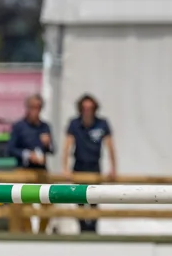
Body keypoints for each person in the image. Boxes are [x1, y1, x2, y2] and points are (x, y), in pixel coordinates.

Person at [62, 94, 117, 232]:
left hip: (94, 166)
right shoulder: (74, 124)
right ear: (80, 109)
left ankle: (93, 229)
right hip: (79, 166)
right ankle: (82, 228)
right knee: (79, 200)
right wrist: (65, 168)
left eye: (90, 108)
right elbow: (67, 146)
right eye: (85, 108)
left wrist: (113, 168)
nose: (87, 111)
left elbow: (110, 146)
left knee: (94, 200)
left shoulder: (102, 124)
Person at [6, 94, 53, 173]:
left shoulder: (45, 126)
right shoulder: (19, 126)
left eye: (38, 107)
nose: (35, 111)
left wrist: (47, 144)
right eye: (32, 107)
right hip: (23, 170)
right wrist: (28, 155)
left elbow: (53, 150)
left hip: (41, 171)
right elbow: (10, 149)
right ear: (27, 108)